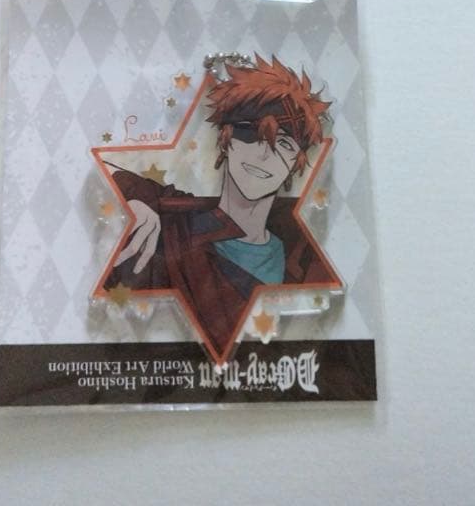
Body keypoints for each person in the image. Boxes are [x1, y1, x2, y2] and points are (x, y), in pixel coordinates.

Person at [103, 56, 340, 362]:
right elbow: (115, 181)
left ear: (297, 162)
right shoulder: (177, 230)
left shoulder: (302, 255)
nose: (263, 154)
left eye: (284, 144)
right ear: (226, 140)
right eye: (251, 134)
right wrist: (135, 200)